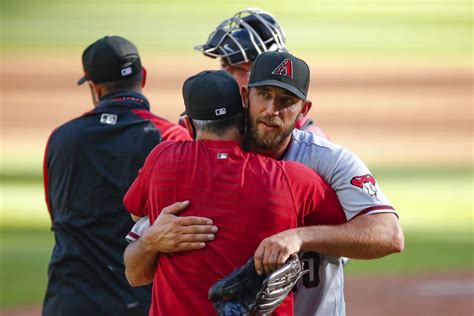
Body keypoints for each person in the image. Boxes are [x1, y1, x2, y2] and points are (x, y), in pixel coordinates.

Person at [126, 51, 404, 316]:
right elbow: (136, 270)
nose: (272, 110)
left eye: (286, 101)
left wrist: (300, 236)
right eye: (265, 95)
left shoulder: (329, 161)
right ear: (246, 96)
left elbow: (389, 235)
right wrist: (151, 240)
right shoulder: (201, 160)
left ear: (303, 110)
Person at [42, 35, 196, 316]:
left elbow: (58, 215)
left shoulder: (60, 138)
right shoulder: (172, 139)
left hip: (68, 300)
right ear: (143, 77)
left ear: (94, 87)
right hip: (138, 301)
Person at [194, 7, 329, 138]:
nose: (223, 75)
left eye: (241, 68)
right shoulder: (205, 121)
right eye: (224, 65)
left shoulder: (308, 138)